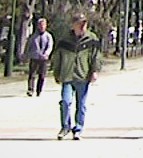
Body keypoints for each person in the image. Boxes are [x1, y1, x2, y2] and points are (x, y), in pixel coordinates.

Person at [50, 13, 101, 141]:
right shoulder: (64, 40)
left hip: (82, 76)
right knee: (66, 102)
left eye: (84, 23)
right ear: (73, 25)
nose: (83, 26)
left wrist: (94, 71)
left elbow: (96, 57)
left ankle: (78, 128)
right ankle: (65, 127)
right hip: (67, 76)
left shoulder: (92, 39)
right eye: (80, 24)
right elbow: (57, 58)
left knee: (81, 105)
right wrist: (56, 73)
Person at [24, 16, 53, 97]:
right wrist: (26, 55)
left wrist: (46, 53)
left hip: (44, 58)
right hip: (34, 57)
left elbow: (50, 46)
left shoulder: (48, 36)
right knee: (32, 74)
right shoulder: (33, 36)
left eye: (43, 25)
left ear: (46, 26)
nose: (41, 26)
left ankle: (39, 90)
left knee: (42, 75)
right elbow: (28, 46)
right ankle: (30, 89)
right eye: (40, 25)